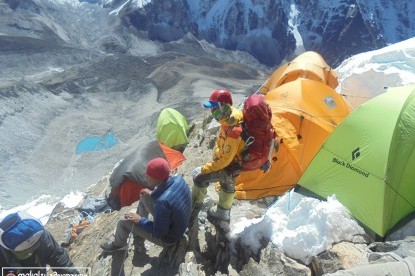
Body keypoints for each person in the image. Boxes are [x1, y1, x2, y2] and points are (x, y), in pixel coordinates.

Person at [100, 157, 191, 260]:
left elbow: (159, 232)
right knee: (144, 196)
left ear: (157, 179)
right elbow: (168, 194)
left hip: (169, 239)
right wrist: (152, 193)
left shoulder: (162, 203)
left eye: (149, 175)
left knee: (123, 222)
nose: (146, 177)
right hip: (179, 225)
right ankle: (138, 233)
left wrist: (140, 220)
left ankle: (119, 245)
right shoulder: (178, 179)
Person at [191, 89, 245, 222]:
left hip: (230, 165)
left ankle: (193, 210)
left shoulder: (234, 130)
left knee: (200, 179)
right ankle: (223, 214)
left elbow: (225, 161)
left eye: (214, 108)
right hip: (234, 165)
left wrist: (203, 169)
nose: (212, 111)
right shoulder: (228, 120)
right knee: (227, 184)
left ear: (224, 106)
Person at [0, 211, 79, 275]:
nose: (30, 252)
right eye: (24, 252)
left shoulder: (41, 235)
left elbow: (58, 257)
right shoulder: (2, 255)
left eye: (35, 246)